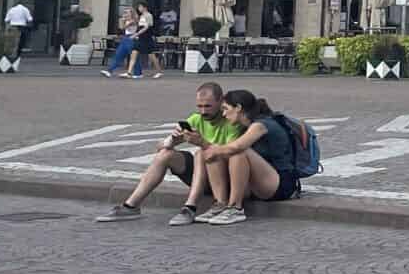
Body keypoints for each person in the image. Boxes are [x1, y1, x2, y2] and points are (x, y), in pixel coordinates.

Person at [94, 80, 236, 222]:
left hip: (223, 178)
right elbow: (159, 146)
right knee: (165, 154)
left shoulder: (231, 119)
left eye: (208, 106)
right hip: (202, 173)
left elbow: (231, 153)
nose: (203, 111)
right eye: (200, 106)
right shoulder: (196, 119)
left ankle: (190, 207)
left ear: (220, 101)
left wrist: (203, 143)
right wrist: (172, 141)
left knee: (201, 153)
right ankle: (131, 206)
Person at [192, 89, 304, 227]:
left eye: (226, 109)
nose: (223, 114)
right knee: (213, 153)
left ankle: (235, 208)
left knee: (238, 151)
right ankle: (220, 204)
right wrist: (208, 149)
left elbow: (236, 147)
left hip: (282, 185)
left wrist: (205, 144)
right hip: (261, 182)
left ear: (238, 108)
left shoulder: (261, 125)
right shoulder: (245, 126)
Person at [102, 3, 140, 79]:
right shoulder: (126, 20)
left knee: (133, 57)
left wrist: (123, 21)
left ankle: (138, 72)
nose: (125, 14)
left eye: (127, 12)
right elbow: (121, 28)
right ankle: (110, 70)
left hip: (132, 38)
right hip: (125, 38)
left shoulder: (134, 20)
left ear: (131, 13)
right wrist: (123, 20)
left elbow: (124, 27)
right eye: (124, 12)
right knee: (119, 54)